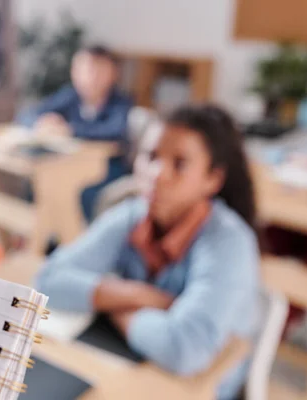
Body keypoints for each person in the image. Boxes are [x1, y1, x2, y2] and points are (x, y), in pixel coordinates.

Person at [36, 104, 260, 400]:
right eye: (151, 156)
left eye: (179, 163)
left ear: (213, 179)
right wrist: (141, 296)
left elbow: (184, 349)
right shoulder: (132, 215)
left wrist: (113, 304)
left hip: (200, 386)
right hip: (134, 361)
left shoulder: (230, 243)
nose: (157, 174)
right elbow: (48, 279)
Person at [17, 45, 133, 221]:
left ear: (113, 73)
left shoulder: (120, 102)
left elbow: (114, 130)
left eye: (99, 69)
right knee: (39, 182)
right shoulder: (70, 97)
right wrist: (42, 123)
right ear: (74, 73)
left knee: (78, 191)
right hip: (69, 162)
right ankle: (46, 239)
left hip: (107, 167)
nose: (92, 76)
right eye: (85, 69)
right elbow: (26, 114)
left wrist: (69, 130)